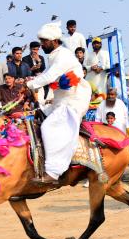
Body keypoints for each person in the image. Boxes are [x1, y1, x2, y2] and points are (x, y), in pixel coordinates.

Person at [25, 21, 92, 184]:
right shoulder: (54, 55)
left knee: (49, 127)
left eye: (44, 41)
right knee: (37, 118)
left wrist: (29, 85)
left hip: (74, 99)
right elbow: (46, 74)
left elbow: (49, 76)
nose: (41, 45)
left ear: (54, 41)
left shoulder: (63, 55)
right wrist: (28, 85)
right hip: (61, 99)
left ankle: (53, 173)